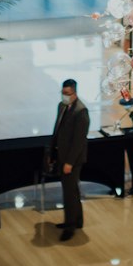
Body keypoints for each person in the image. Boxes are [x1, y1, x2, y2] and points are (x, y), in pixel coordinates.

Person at [49, 77, 89, 241]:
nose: (64, 96)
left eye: (67, 93)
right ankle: (77, 220)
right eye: (63, 93)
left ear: (75, 93)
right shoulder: (62, 106)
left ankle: (70, 225)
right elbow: (57, 129)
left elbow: (79, 142)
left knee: (69, 194)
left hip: (72, 160)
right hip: (61, 155)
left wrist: (69, 163)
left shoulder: (81, 111)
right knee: (72, 191)